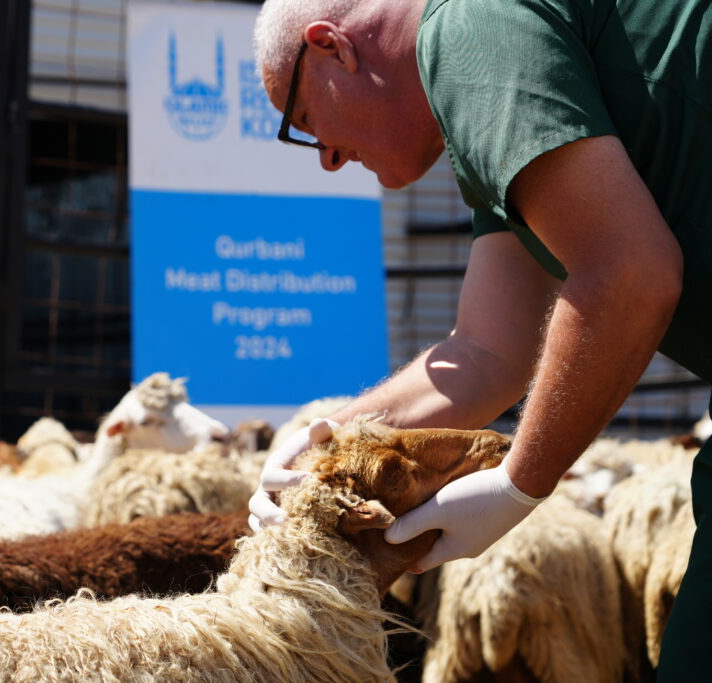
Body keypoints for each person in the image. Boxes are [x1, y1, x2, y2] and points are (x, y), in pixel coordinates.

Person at [247, 0, 712, 676]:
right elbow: (485, 354)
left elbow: (630, 275)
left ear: (332, 48)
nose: (327, 158)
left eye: (307, 122)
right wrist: (325, 436)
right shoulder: (484, 107)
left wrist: (520, 483)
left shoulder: (470, 30)